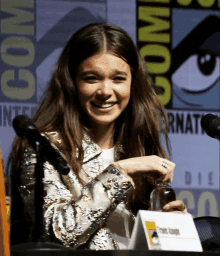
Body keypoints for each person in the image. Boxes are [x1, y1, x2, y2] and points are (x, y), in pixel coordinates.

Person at [8, 23, 188, 250]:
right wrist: (120, 172)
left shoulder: (138, 146)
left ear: (133, 82)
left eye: (118, 79)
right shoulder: (45, 148)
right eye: (91, 78)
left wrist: (170, 227)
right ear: (71, 82)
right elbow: (55, 237)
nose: (105, 91)